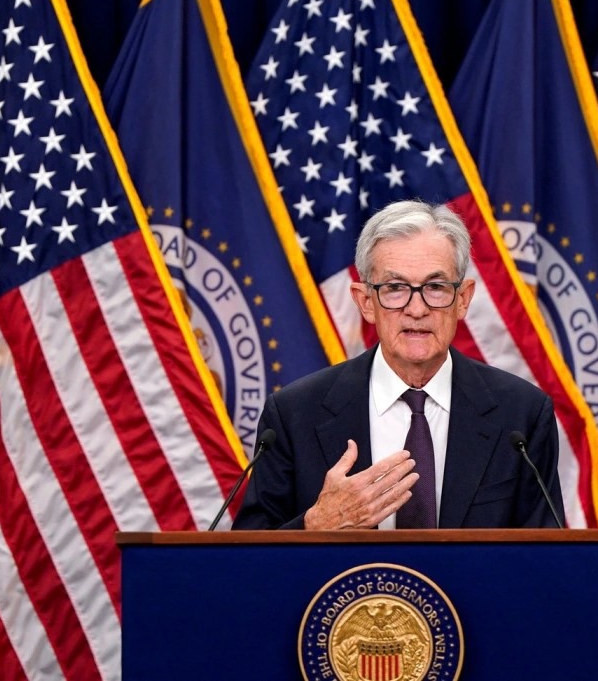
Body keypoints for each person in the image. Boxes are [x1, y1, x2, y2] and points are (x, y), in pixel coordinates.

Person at [232, 200, 564, 530]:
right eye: (395, 288)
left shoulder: (521, 415)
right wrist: (315, 525)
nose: (416, 310)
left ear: (462, 299)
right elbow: (247, 554)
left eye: (435, 287)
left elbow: (546, 553)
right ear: (366, 302)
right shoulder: (294, 415)